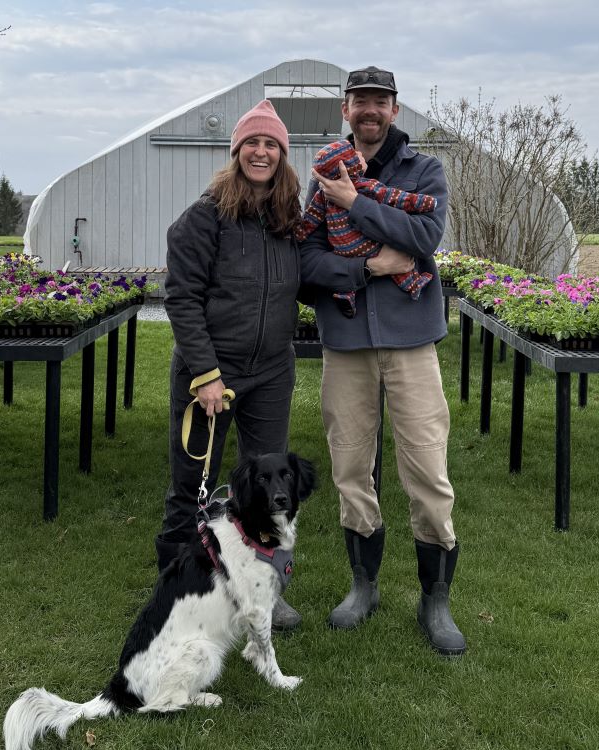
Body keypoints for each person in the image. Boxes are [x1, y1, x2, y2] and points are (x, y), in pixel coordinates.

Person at [299, 66, 466, 656]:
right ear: (345, 110)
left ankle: (435, 598)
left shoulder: (424, 171)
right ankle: (363, 584)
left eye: (380, 101)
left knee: (426, 468)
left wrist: (353, 201)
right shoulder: (321, 174)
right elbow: (307, 261)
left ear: (394, 110)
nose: (369, 110)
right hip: (346, 343)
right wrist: (368, 266)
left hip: (412, 341)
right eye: (359, 101)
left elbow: (425, 237)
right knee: (350, 467)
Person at [156, 99, 304, 631]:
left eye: (271, 145)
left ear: (282, 156)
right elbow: (182, 297)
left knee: (269, 488)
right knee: (191, 485)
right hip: (210, 374)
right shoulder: (205, 217)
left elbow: (310, 278)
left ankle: (266, 588)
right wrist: (207, 373)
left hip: (270, 372)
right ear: (236, 151)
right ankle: (177, 587)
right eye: (252, 144)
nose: (261, 152)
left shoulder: (290, 220)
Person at [296, 139, 436, 317]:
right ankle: (413, 283)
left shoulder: (323, 195)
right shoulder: (364, 185)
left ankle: (345, 293)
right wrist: (423, 202)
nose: (360, 155)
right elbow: (394, 197)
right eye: (355, 155)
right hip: (367, 247)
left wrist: (299, 233)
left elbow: (310, 219)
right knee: (400, 267)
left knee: (351, 279)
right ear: (347, 166)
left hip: (341, 249)